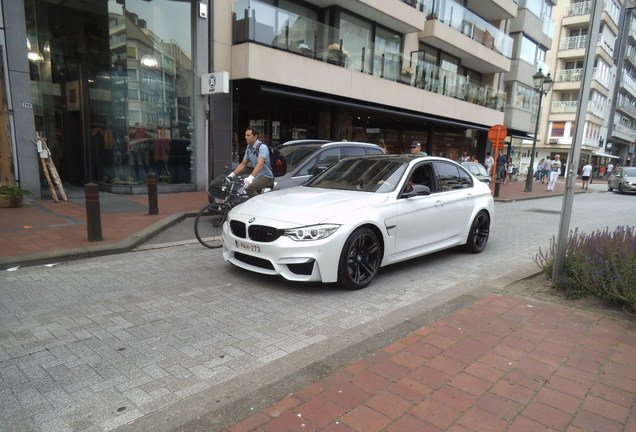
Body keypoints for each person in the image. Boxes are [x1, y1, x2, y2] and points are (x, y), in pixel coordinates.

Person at [227, 127, 274, 198]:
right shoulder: (249, 148)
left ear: (255, 136)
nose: (246, 137)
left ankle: (258, 206)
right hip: (257, 177)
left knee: (249, 187)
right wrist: (231, 175)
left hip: (266, 178)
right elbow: (243, 164)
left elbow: (260, 164)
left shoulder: (262, 147)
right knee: (252, 195)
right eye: (245, 135)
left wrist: (251, 177)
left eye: (248, 135)